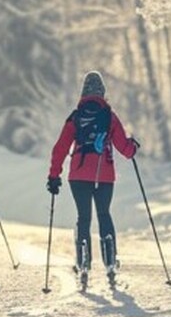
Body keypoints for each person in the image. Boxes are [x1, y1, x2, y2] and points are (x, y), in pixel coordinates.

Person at [47, 71, 139, 288]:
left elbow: (60, 148)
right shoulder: (110, 116)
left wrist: (54, 175)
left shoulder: (75, 116)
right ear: (102, 92)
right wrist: (133, 146)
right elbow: (125, 149)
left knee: (84, 217)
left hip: (78, 176)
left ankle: (83, 263)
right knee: (104, 214)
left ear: (83, 92)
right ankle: (110, 262)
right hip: (104, 176)